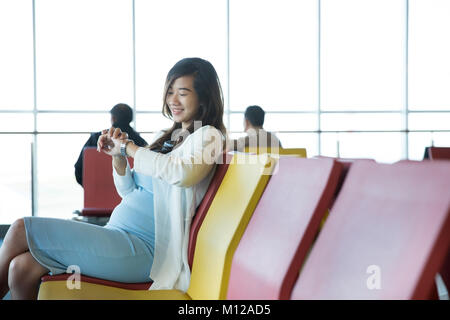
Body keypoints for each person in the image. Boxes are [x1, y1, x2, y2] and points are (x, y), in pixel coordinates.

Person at [0, 57, 226, 299]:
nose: (173, 100)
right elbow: (129, 192)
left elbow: (181, 173)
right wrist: (118, 156)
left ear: (203, 97)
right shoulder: (166, 136)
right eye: (170, 91)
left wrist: (128, 147)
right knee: (21, 268)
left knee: (21, 228)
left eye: (182, 93)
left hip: (146, 250)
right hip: (117, 235)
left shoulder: (209, 135)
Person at [74, 103, 148, 187]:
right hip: (133, 193)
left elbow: (79, 169)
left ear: (113, 118)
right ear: (131, 119)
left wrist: (91, 189)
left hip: (96, 193)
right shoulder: (140, 144)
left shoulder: (96, 139)